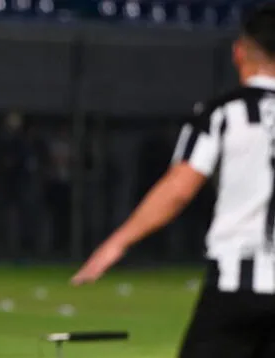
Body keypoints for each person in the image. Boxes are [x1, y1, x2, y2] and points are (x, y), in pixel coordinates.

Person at [72, 4, 275, 357]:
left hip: (234, 286)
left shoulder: (222, 113)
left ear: (239, 52)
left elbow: (179, 189)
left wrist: (116, 243)